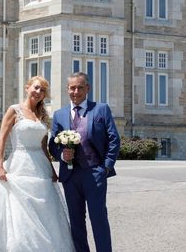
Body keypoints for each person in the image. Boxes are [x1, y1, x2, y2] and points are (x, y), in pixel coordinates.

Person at [0, 76, 74, 252]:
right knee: (19, 209)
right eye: (36, 88)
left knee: (45, 210)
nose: (38, 92)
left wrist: (52, 170)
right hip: (19, 164)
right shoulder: (14, 110)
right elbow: (1, 138)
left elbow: (43, 147)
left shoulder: (41, 115)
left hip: (40, 167)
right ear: (27, 88)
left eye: (42, 90)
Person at [49, 72, 121, 252]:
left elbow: (114, 139)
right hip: (70, 176)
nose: (76, 91)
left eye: (80, 87)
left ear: (87, 89)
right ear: (67, 90)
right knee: (76, 221)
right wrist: (61, 155)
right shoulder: (59, 115)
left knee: (98, 219)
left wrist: (106, 166)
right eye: (72, 88)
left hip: (95, 173)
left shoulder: (101, 109)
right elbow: (52, 145)